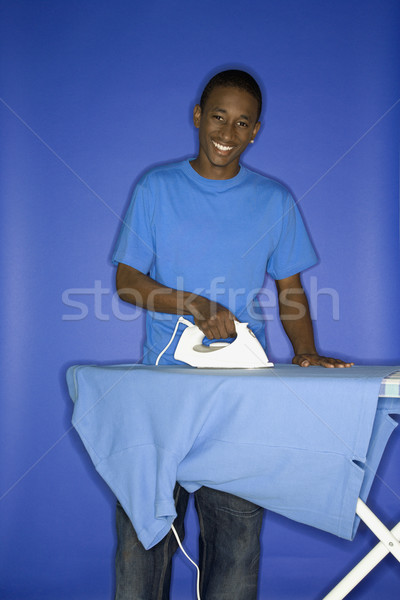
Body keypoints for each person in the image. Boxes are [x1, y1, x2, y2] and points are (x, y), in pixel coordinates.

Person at [112, 69, 353, 600]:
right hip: (162, 394)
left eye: (242, 122)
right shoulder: (157, 188)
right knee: (139, 548)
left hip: (239, 397)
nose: (228, 131)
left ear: (256, 131)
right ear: (198, 116)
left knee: (236, 548)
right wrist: (194, 305)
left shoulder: (273, 200)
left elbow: (290, 291)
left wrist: (307, 351)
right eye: (218, 116)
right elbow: (127, 282)